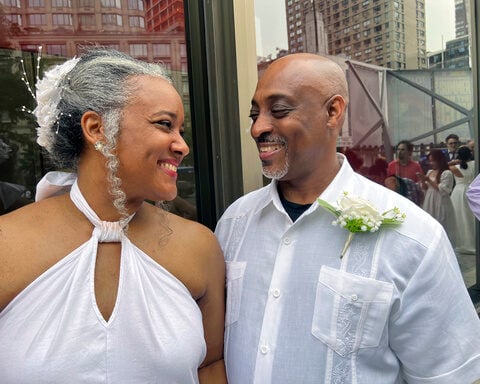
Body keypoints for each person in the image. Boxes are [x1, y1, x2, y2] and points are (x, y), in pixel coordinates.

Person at [214, 53, 480, 383]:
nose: (258, 127)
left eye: (278, 110)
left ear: (333, 111)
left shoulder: (414, 237)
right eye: (255, 113)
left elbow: (447, 373)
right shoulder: (234, 223)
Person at [0, 48, 226, 383]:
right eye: (165, 124)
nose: (182, 146)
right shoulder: (8, 244)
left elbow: (210, 364)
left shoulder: (199, 247)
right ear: (97, 128)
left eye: (180, 130)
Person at [418, 148, 456, 245]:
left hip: (441, 200)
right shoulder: (430, 171)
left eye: (433, 160)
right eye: (430, 161)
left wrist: (429, 180)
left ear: (440, 160)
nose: (431, 163)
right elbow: (425, 188)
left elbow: (443, 189)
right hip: (430, 199)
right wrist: (422, 180)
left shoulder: (446, 173)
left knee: (441, 221)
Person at [449, 146, 476, 254]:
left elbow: (444, 165)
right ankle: (474, 242)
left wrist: (454, 161)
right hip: (472, 190)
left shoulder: (454, 167)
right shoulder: (475, 164)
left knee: (459, 218)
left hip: (459, 192)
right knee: (472, 217)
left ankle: (462, 243)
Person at [384, 140, 424, 205]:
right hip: (395, 200)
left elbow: (420, 185)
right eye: (398, 149)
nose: (399, 152)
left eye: (402, 149)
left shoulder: (416, 166)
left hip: (410, 201)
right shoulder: (391, 165)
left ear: (409, 152)